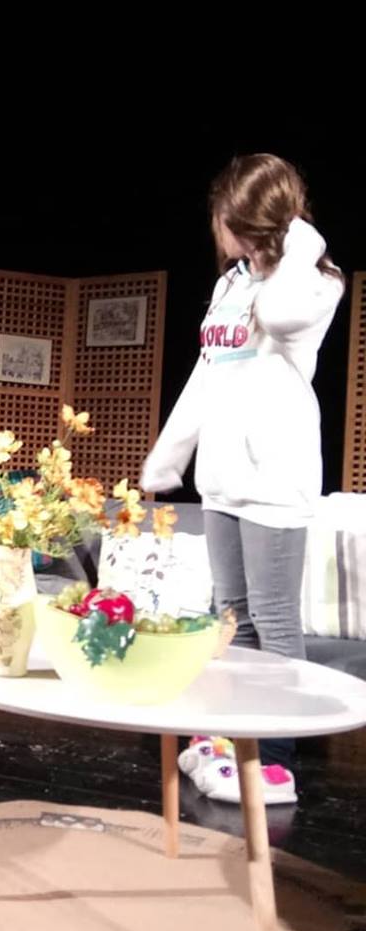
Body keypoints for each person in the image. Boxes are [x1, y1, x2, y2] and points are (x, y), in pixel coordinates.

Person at [142, 153, 344, 802]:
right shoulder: (230, 284)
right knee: (230, 617)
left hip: (276, 475)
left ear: (255, 220)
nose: (219, 228)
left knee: (275, 619)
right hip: (223, 474)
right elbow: (208, 371)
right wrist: (170, 455)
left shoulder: (315, 280)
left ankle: (275, 762)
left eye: (228, 218)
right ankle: (231, 739)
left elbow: (280, 317)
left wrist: (298, 245)